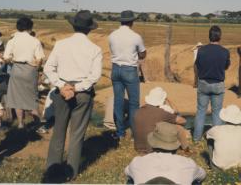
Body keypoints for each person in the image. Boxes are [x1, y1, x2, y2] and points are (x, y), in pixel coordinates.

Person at [43, 10, 102, 181]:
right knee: (77, 134)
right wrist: (76, 88)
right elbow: (94, 76)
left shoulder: (61, 44)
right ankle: (72, 172)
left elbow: (48, 68)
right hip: (83, 94)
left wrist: (62, 86)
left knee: (58, 132)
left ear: (74, 26)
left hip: (62, 92)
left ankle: (52, 170)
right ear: (89, 29)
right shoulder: (95, 49)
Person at [125, 122, 206, 184]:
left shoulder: (137, 162)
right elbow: (202, 176)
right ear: (176, 146)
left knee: (131, 180)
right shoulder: (188, 164)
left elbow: (127, 172)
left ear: (152, 143)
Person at [109, 10, 146, 140]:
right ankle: (134, 133)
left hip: (115, 69)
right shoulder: (136, 36)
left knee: (118, 101)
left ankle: (120, 132)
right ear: (132, 22)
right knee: (134, 103)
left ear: (121, 21)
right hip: (129, 69)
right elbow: (142, 54)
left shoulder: (112, 35)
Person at [3, 17, 45, 128]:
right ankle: (37, 123)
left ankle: (21, 123)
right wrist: (37, 68)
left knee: (17, 98)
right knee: (32, 97)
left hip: (16, 69)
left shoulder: (12, 41)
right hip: (30, 70)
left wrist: (14, 60)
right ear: (30, 28)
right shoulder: (35, 41)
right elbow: (40, 59)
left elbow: (6, 58)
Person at [193, 26, 230, 141]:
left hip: (203, 82)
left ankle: (196, 138)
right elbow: (226, 67)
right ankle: (217, 140)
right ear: (220, 37)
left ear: (209, 36)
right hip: (218, 84)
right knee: (217, 112)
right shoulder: (225, 51)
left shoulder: (201, 50)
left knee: (201, 112)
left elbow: (197, 66)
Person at [133, 87, 188, 153]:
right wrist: (168, 104)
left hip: (138, 147)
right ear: (162, 100)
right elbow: (182, 120)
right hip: (152, 148)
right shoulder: (161, 113)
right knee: (179, 128)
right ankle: (186, 149)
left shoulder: (138, 111)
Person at [206, 104, 241, 170]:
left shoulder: (216, 129)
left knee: (210, 140)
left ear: (224, 118)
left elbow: (206, 135)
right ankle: (239, 158)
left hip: (218, 165)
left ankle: (212, 164)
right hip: (239, 165)